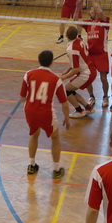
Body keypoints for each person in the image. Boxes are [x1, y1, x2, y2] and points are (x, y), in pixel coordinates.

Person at [20, 50, 70, 179]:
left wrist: (32, 105)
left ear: (38, 60)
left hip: (30, 110)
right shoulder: (56, 79)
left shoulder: (28, 74)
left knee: (34, 134)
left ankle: (31, 165)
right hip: (46, 112)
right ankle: (56, 169)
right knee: (55, 137)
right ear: (52, 62)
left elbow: (22, 97)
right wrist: (67, 118)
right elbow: (64, 104)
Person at [79, 0, 111, 108]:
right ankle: (91, 96)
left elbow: (100, 12)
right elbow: (75, 20)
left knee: (103, 78)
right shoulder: (88, 23)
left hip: (101, 54)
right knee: (88, 76)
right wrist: (77, 8)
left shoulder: (104, 21)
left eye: (92, 9)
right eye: (90, 10)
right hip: (90, 54)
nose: (90, 11)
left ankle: (105, 97)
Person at [61, 25, 96, 119]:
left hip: (86, 74)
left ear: (66, 35)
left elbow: (75, 69)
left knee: (65, 90)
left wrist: (64, 77)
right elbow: (77, 60)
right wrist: (67, 70)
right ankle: (88, 108)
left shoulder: (71, 49)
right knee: (70, 90)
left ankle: (79, 111)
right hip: (90, 70)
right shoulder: (79, 40)